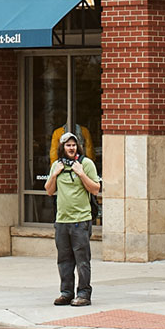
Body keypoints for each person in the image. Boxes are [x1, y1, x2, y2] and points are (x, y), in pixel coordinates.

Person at [44, 131, 101, 307]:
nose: (71, 148)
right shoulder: (57, 165)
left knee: (82, 260)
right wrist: (54, 175)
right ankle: (66, 292)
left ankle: (84, 293)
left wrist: (81, 174)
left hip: (80, 221)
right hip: (62, 221)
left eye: (74, 145)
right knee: (64, 260)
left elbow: (96, 189)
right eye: (68, 145)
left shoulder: (86, 164)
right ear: (62, 147)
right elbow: (49, 190)